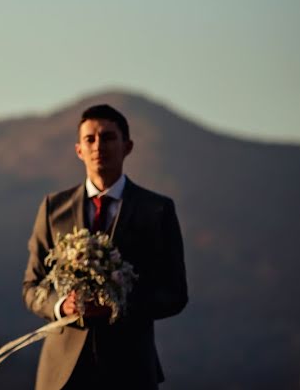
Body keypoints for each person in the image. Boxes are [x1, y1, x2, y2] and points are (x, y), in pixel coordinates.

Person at [22, 104, 188, 390]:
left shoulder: (157, 210)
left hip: (131, 369)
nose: (99, 146)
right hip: (61, 374)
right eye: (90, 139)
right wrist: (62, 306)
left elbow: (175, 293)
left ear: (128, 146)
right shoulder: (53, 209)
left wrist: (118, 303)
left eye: (109, 137)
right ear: (79, 150)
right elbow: (32, 287)